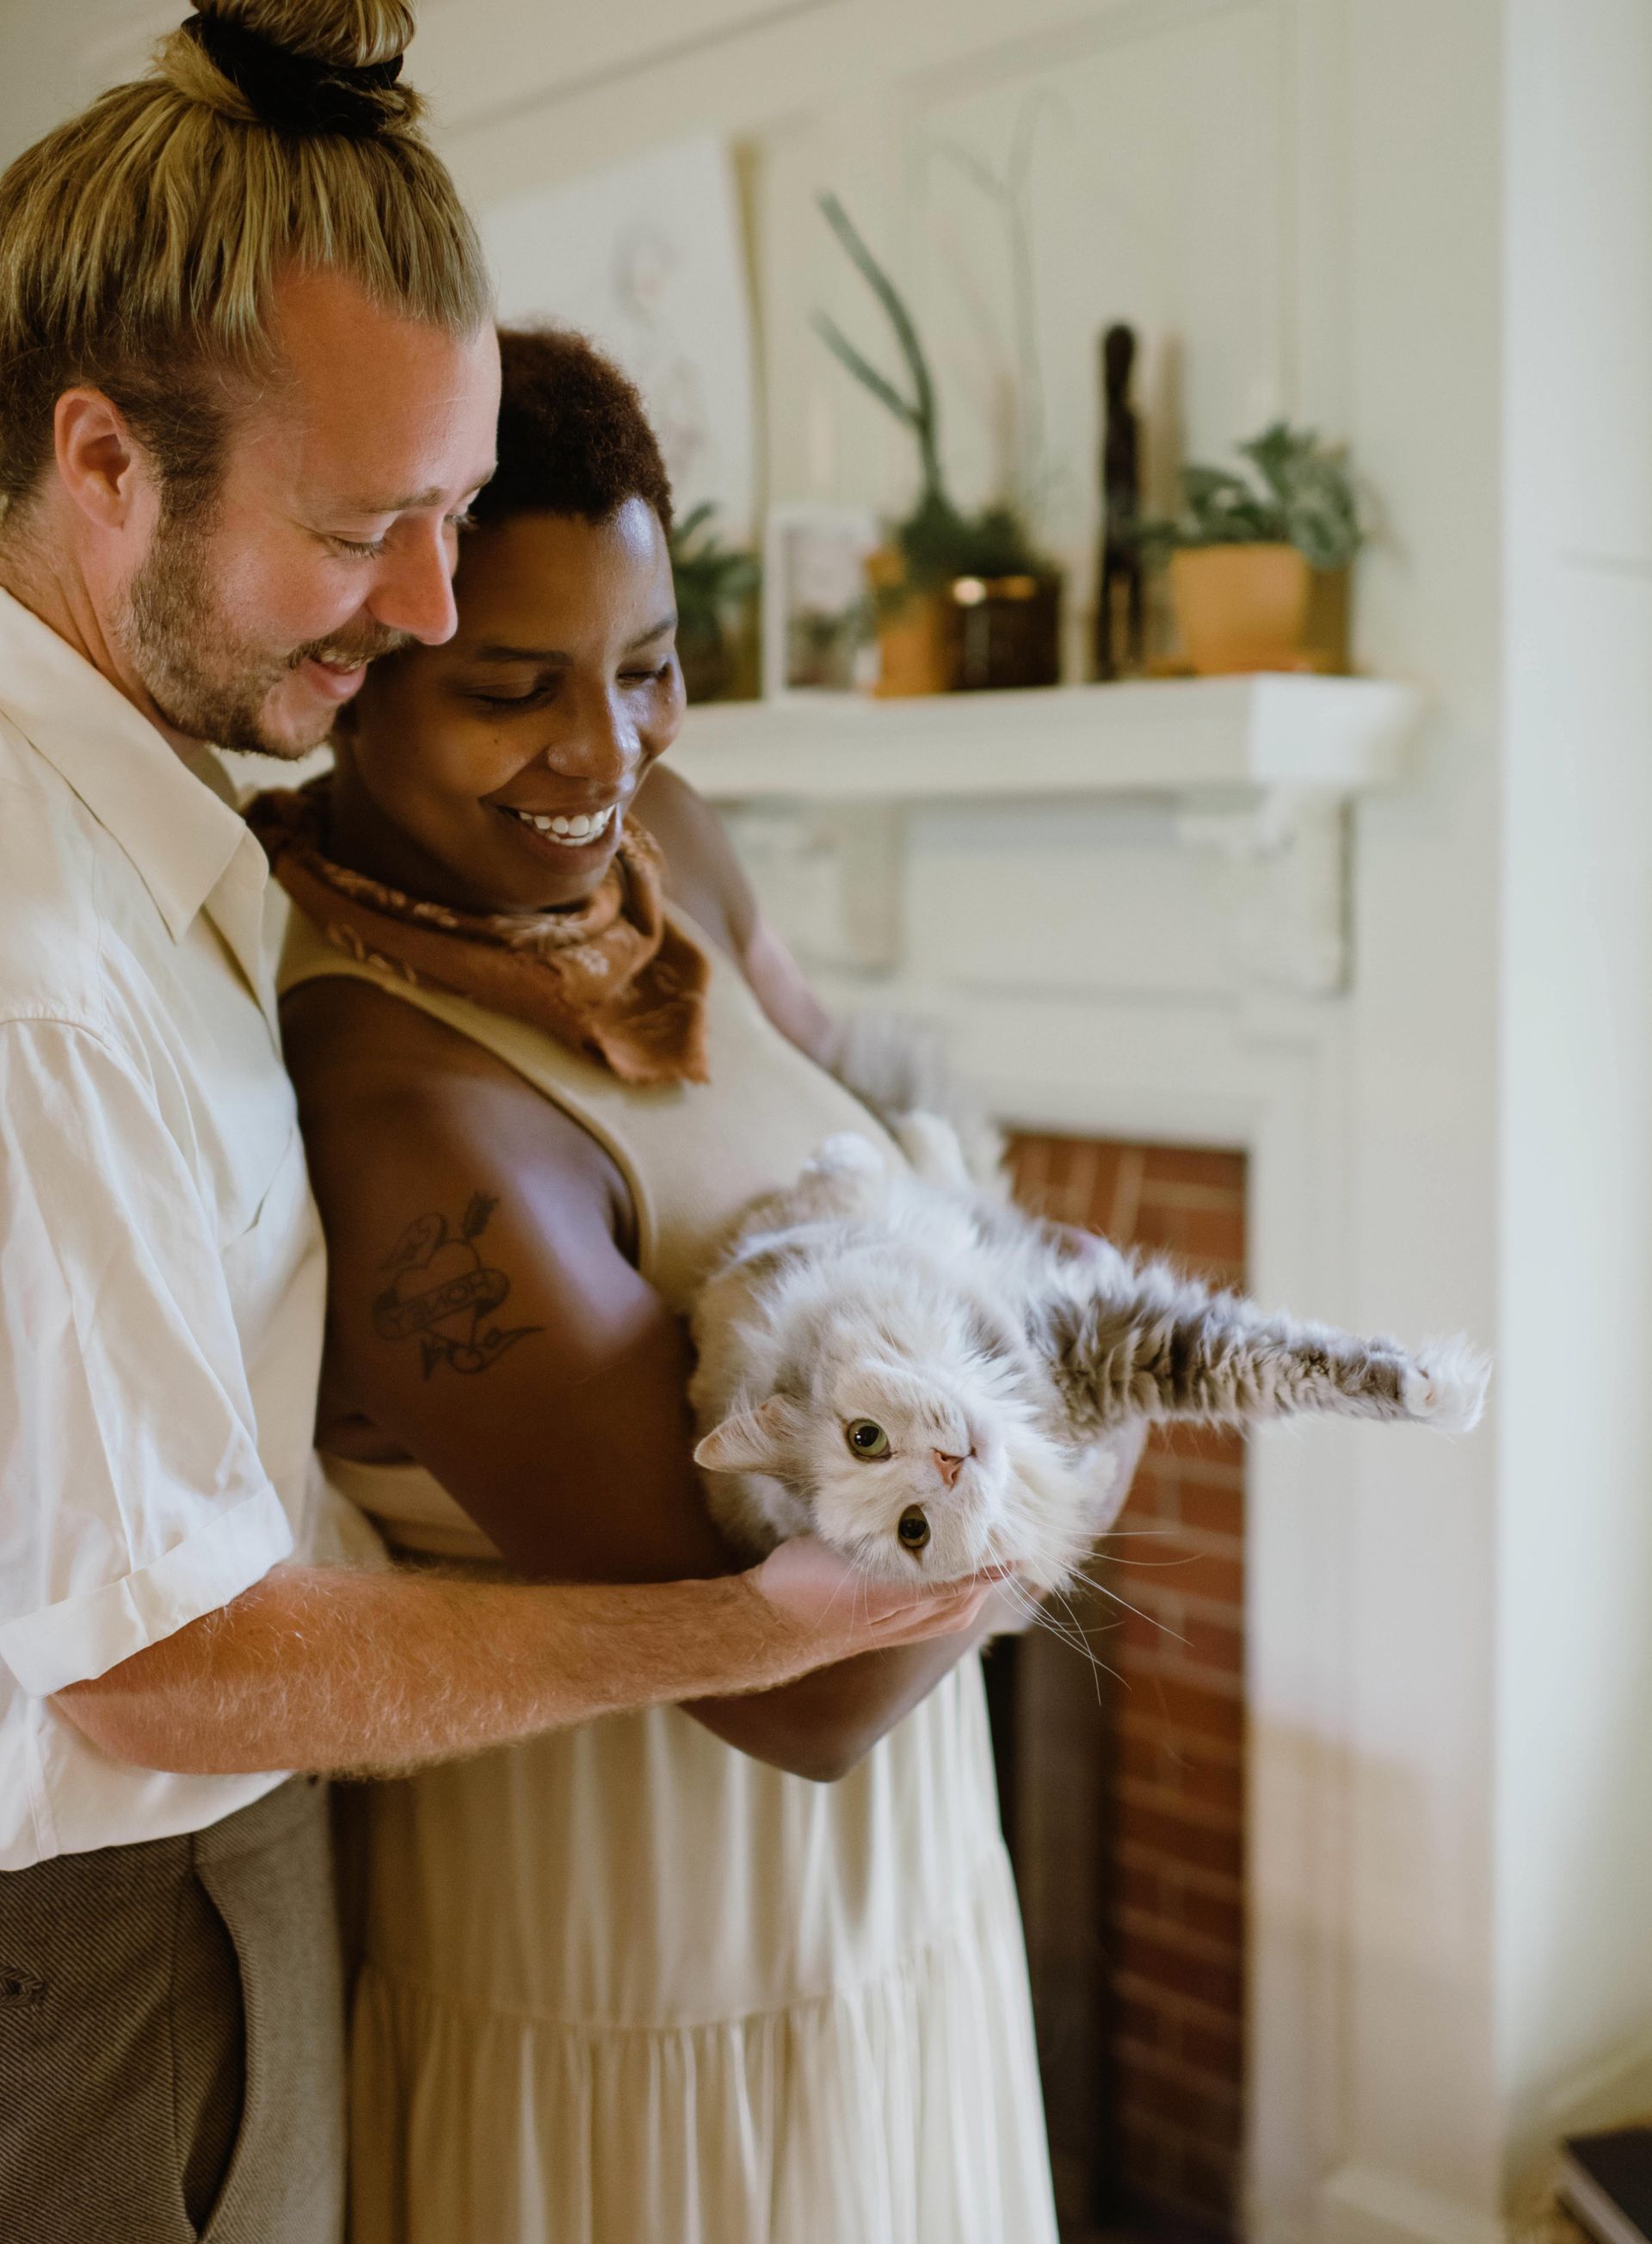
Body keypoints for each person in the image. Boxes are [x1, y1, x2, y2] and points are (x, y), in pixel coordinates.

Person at [0, 15, 989, 2243]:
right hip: (110, 1954)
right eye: (368, 531)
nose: (434, 614)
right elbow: (159, 1660)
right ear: (105, 462)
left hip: (268, 1867)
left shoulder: (175, 827)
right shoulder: (39, 965)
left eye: (449, 518)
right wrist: (743, 1631)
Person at [260, 326, 1141, 2244]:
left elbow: (869, 1118)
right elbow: (805, 1688)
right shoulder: (406, 1117)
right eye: (514, 688)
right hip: (640, 1976)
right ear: (351, 677)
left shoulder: (661, 849)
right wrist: (1099, 1396)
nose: (606, 748)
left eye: (648, 665)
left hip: (896, 1900)